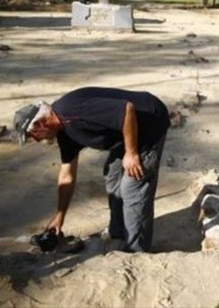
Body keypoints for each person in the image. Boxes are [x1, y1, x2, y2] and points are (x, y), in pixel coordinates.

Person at [14, 87, 170, 253]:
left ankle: (136, 250)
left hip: (149, 123)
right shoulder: (64, 132)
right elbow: (67, 176)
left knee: (132, 185)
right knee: (112, 174)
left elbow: (126, 109)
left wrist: (131, 154)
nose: (37, 140)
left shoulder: (73, 111)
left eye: (34, 136)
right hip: (124, 131)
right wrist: (60, 216)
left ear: (41, 124)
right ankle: (118, 233)